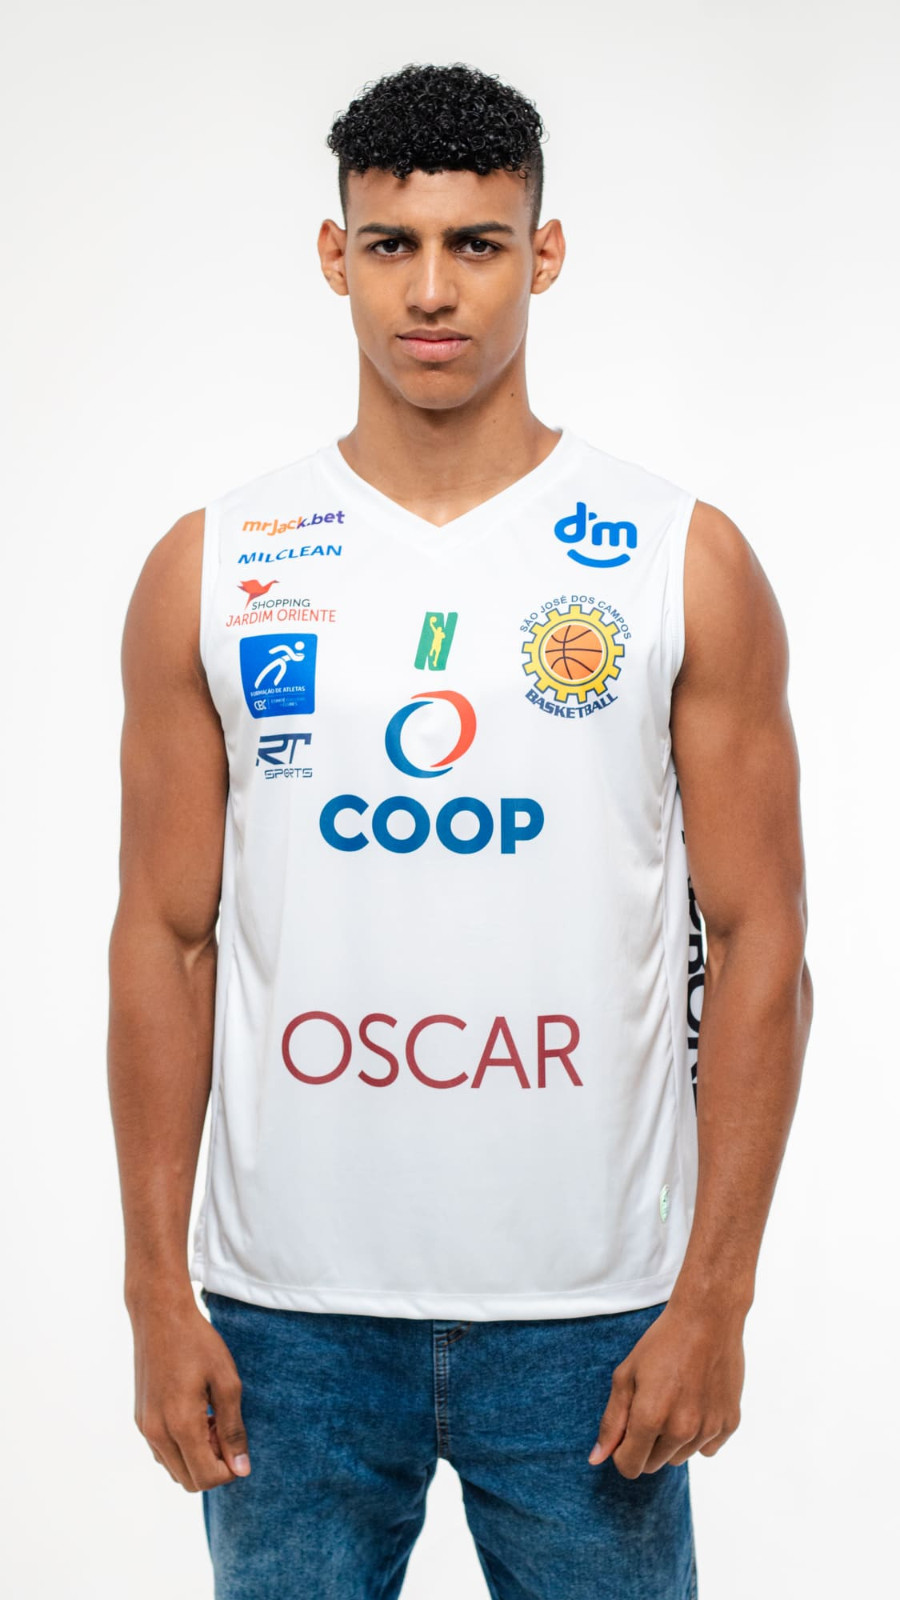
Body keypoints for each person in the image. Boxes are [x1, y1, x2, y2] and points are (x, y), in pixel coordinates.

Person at [107, 60, 813, 1600]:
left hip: (592, 1314)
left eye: (477, 245)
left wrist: (718, 1294)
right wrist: (156, 1288)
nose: (433, 292)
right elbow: (164, 937)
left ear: (542, 255)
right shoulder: (215, 565)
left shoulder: (675, 560)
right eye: (393, 245)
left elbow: (762, 938)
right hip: (288, 1319)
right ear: (335, 254)